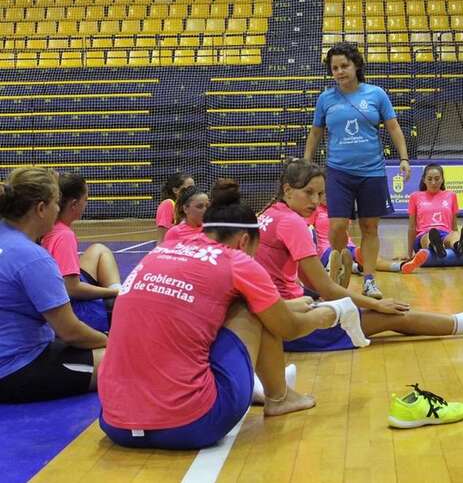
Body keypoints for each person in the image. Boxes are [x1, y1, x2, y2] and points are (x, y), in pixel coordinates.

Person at [98, 180, 365, 450]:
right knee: (254, 307)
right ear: (245, 241)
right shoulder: (236, 260)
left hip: (115, 424)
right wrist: (335, 312)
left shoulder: (162, 251)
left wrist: (290, 305)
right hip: (191, 425)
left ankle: (255, 385)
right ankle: (278, 397)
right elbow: (289, 328)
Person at [256, 159, 463, 353]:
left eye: (321, 194)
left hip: (280, 314)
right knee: (393, 315)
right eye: (309, 192)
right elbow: (322, 286)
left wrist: (331, 294)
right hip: (296, 326)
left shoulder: (268, 213)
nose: (316, 200)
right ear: (288, 190)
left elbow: (307, 282)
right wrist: (375, 303)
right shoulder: (293, 223)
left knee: (383, 312)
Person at [303, 41, 411, 300]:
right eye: (334, 68)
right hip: (338, 172)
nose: (339, 71)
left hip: (372, 172)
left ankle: (370, 279)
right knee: (338, 225)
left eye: (344, 66)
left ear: (357, 66)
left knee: (370, 227)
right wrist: (306, 163)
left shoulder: (376, 94)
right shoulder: (326, 99)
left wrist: (404, 158)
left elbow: (394, 128)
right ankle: (338, 274)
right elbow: (316, 132)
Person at [0, 167, 107, 403]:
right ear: (41, 209)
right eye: (56, 203)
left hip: (12, 355)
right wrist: (109, 340)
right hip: (15, 368)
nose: (58, 210)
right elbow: (70, 332)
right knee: (126, 358)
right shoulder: (32, 257)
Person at [41, 173, 121, 332]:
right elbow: (72, 289)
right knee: (119, 298)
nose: (86, 204)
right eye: (86, 200)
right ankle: (117, 304)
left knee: (99, 250)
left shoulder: (47, 226)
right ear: (74, 204)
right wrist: (113, 291)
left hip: (50, 293)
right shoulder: (64, 236)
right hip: (71, 311)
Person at [307, 196, 430, 288]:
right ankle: (357, 266)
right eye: (322, 193)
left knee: (371, 258)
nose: (326, 196)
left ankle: (402, 266)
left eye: (329, 192)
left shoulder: (341, 209)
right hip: (328, 250)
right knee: (341, 260)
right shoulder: (315, 210)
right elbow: (307, 230)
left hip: (348, 246)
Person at [408, 163, 463, 259]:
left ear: (442, 179)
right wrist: (409, 254)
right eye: (430, 179)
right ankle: (435, 246)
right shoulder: (415, 197)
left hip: (445, 233)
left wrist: (455, 235)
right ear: (424, 180)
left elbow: (454, 227)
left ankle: (459, 245)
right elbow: (412, 227)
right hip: (424, 234)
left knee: (453, 236)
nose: (433, 182)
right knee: (429, 237)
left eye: (437, 178)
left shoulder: (451, 196)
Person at [156, 172, 194, 242]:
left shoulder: (183, 206)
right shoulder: (168, 204)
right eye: (188, 188)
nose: (192, 191)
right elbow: (163, 238)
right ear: (175, 190)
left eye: (193, 188)